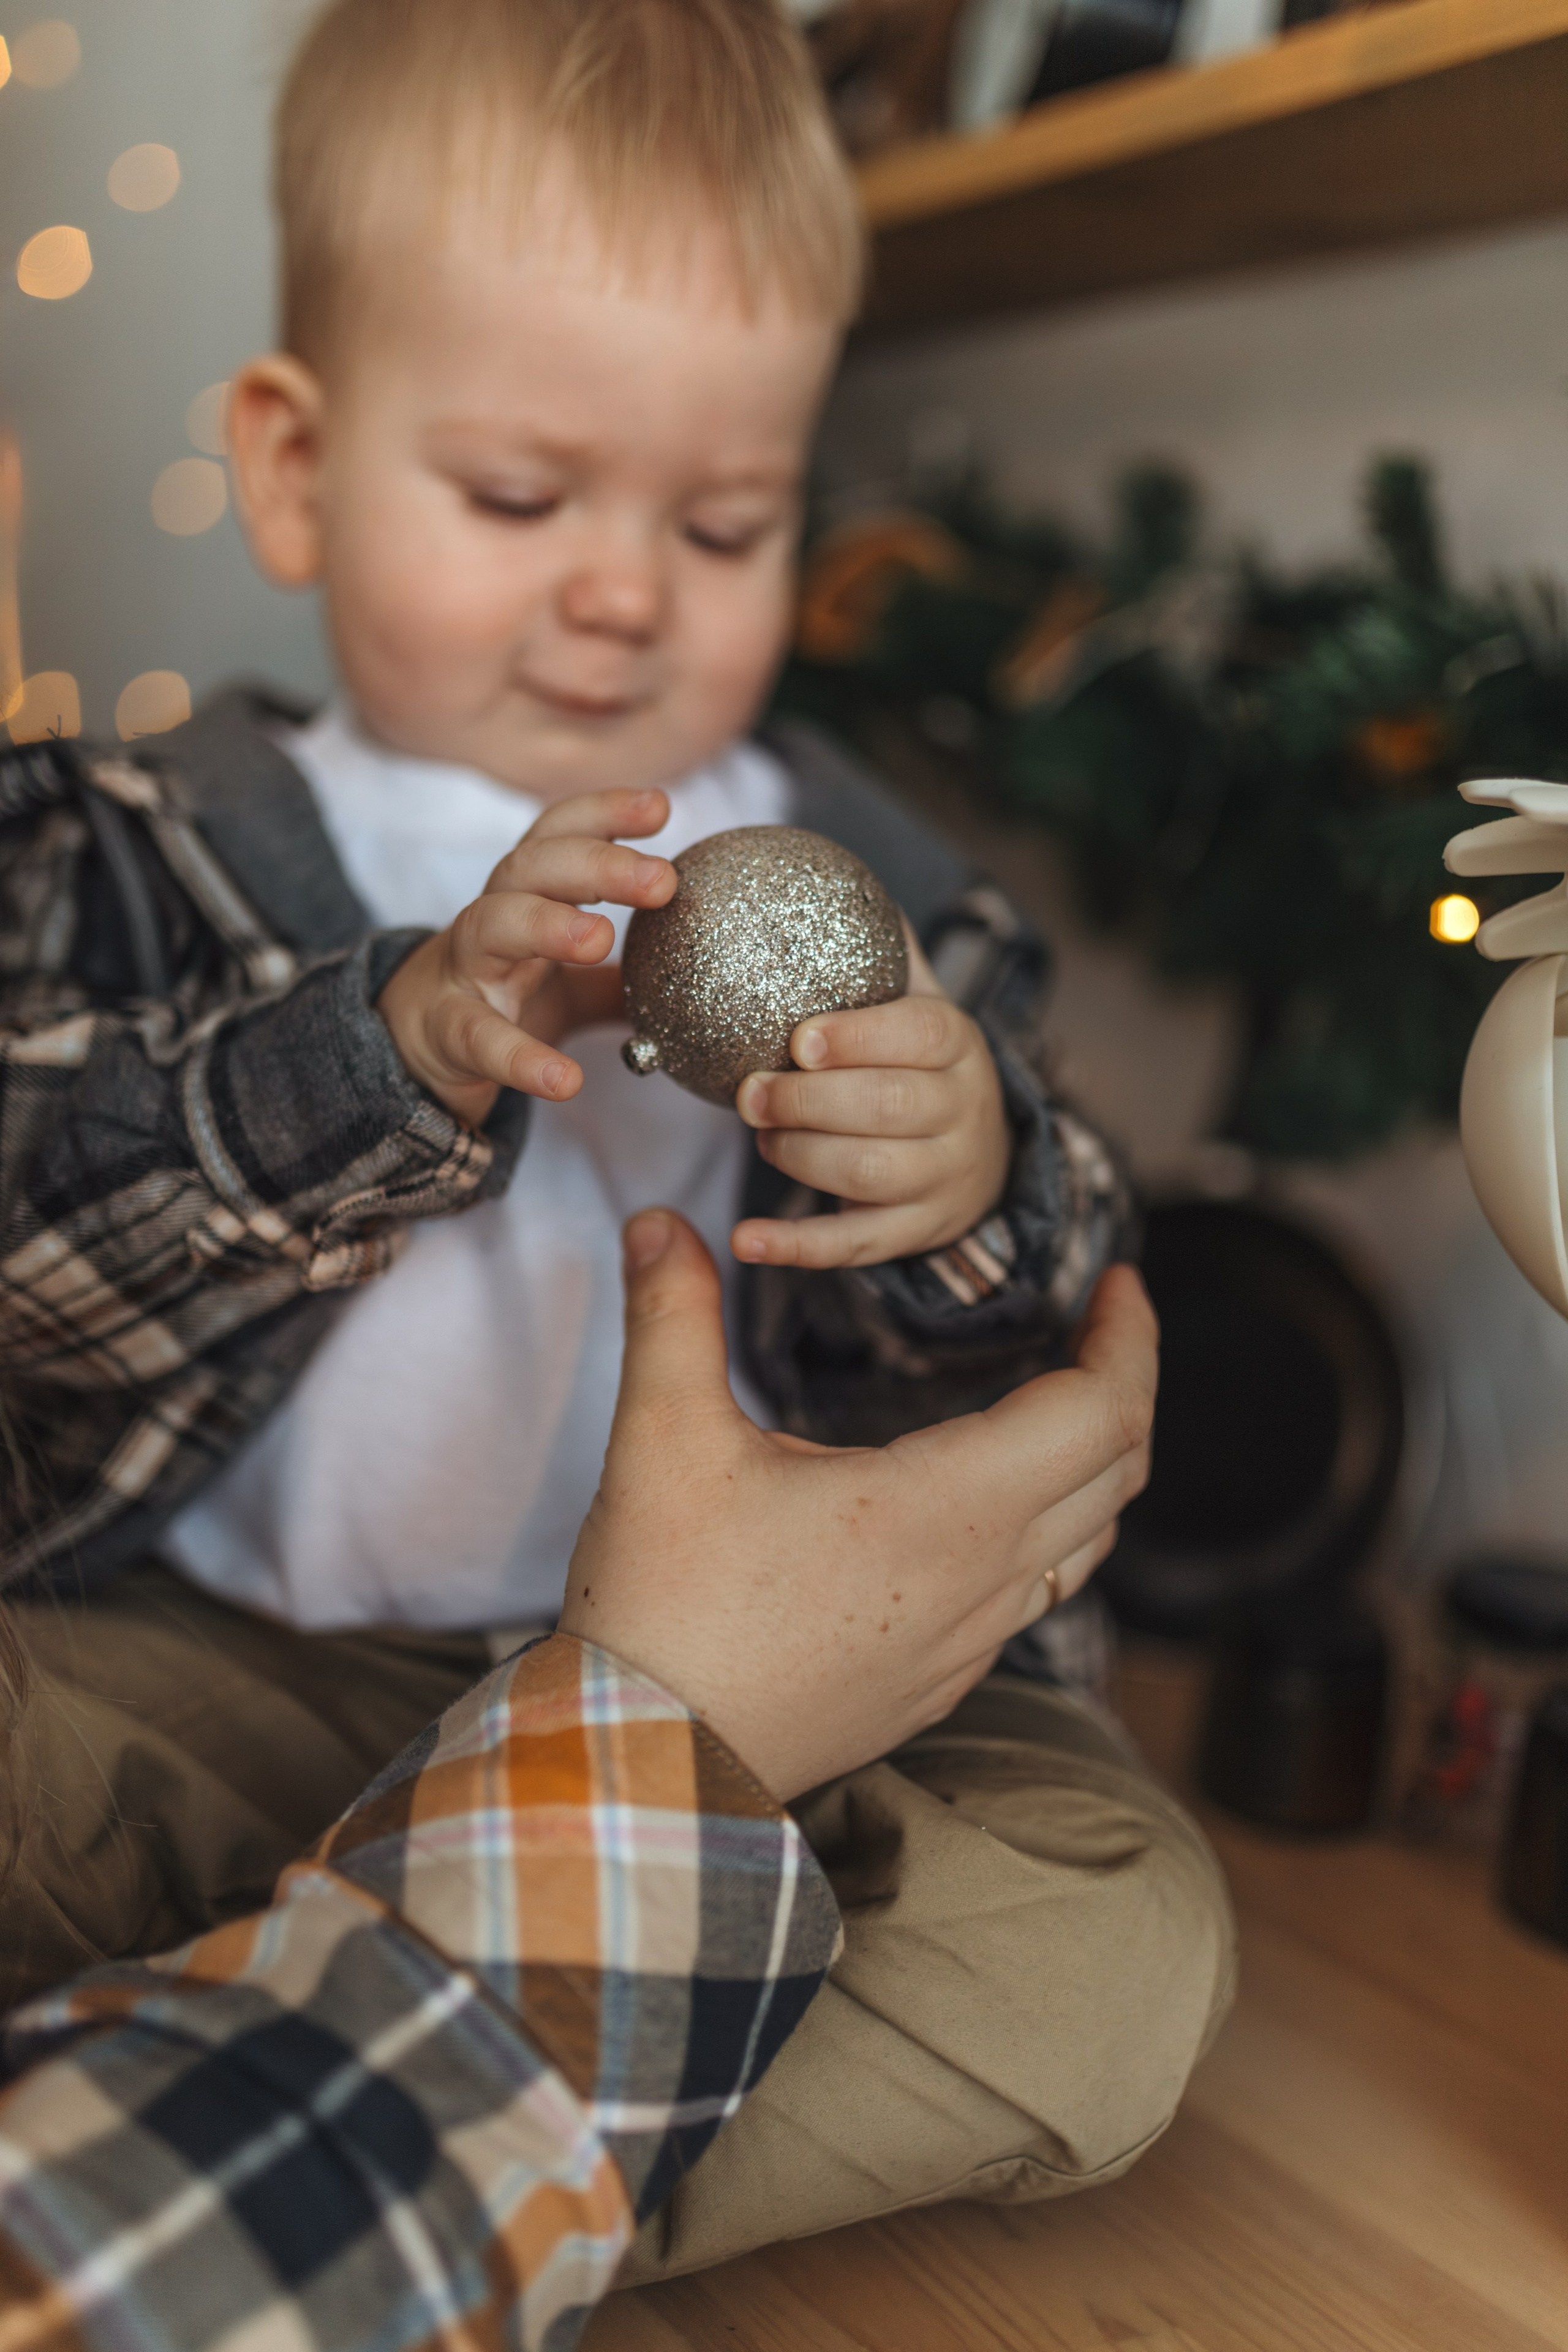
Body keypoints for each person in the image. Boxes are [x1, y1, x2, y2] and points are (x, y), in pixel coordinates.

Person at [0, 0, 1231, 2278]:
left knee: (1111, 1938)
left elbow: (1029, 1354)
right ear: (295, 464)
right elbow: (33, 1233)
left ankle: (410, 2187)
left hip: (747, 1735)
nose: (623, 588)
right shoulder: (139, 845)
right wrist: (400, 1042)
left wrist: (961, 1182)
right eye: (518, 495)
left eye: (727, 517)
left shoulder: (889, 892)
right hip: (227, 1673)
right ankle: (383, 2080)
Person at [0, 1210, 1224, 2352]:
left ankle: (228, 1987)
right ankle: (474, 2122)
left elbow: (1052, 1239)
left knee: (1101, 1946)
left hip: (794, 1677)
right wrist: (370, 1073)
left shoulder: (934, 991)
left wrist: (965, 1183)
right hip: (187, 1631)